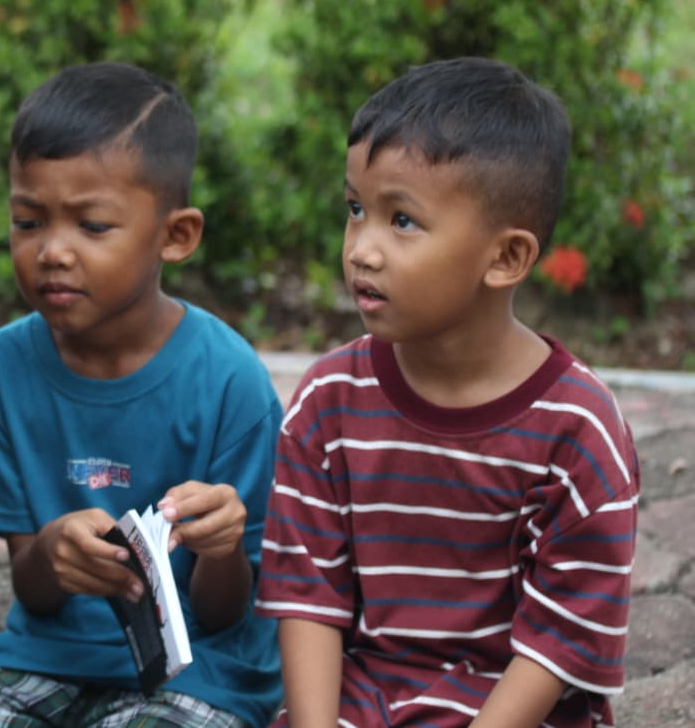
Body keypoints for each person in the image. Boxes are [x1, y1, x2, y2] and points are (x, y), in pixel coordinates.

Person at [256, 57, 638, 727]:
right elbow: (308, 595)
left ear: (505, 257)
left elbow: (562, 640)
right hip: (362, 699)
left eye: (401, 220)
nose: (361, 250)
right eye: (356, 209)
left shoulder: (579, 432)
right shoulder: (327, 403)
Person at [0, 62, 284, 728]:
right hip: (42, 658)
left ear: (176, 235)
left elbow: (232, 611)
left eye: (92, 226)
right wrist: (52, 553)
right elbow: (31, 589)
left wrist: (223, 546)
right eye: (29, 221)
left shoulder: (230, 380)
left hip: (201, 671)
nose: (53, 251)